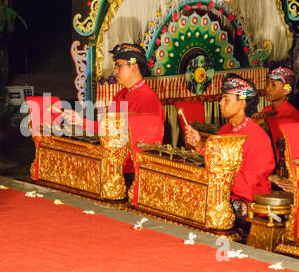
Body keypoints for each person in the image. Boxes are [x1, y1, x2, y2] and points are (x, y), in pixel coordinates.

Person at [63, 43, 165, 176]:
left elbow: (145, 146)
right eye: (115, 66)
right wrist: (80, 123)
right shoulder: (120, 94)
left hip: (131, 169)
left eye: (119, 65)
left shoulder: (148, 99)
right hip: (113, 158)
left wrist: (82, 122)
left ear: (134, 67)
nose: (115, 71)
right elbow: (108, 128)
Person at [185, 73, 275, 217]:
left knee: (210, 204)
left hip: (248, 202)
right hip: (224, 192)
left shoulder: (258, 138)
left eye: (226, 99)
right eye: (222, 98)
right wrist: (199, 146)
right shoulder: (225, 130)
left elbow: (250, 186)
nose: (220, 103)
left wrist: (219, 173)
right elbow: (216, 162)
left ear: (242, 102)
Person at [262, 66, 299, 161]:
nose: (267, 88)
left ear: (287, 90)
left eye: (273, 85)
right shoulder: (265, 111)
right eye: (267, 83)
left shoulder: (292, 116)